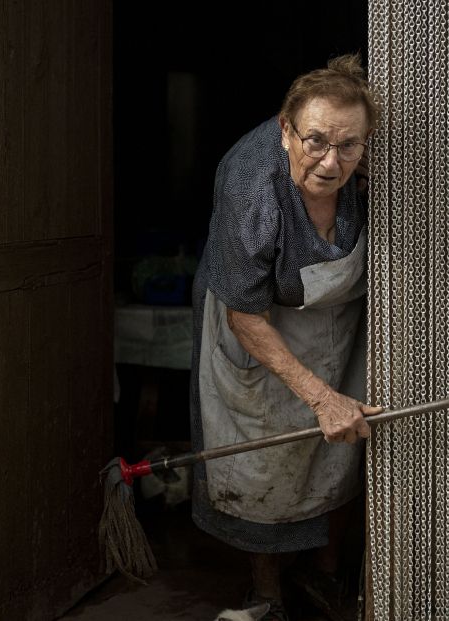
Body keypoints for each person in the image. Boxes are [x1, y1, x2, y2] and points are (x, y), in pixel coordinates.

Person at [190, 54, 381, 621]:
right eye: (316, 141)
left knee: (339, 450)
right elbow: (246, 320)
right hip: (252, 322)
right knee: (259, 454)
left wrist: (333, 397)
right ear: (285, 129)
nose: (330, 161)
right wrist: (319, 395)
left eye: (349, 145)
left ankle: (323, 578)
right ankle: (266, 590)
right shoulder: (253, 186)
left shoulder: (370, 167)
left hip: (333, 320)